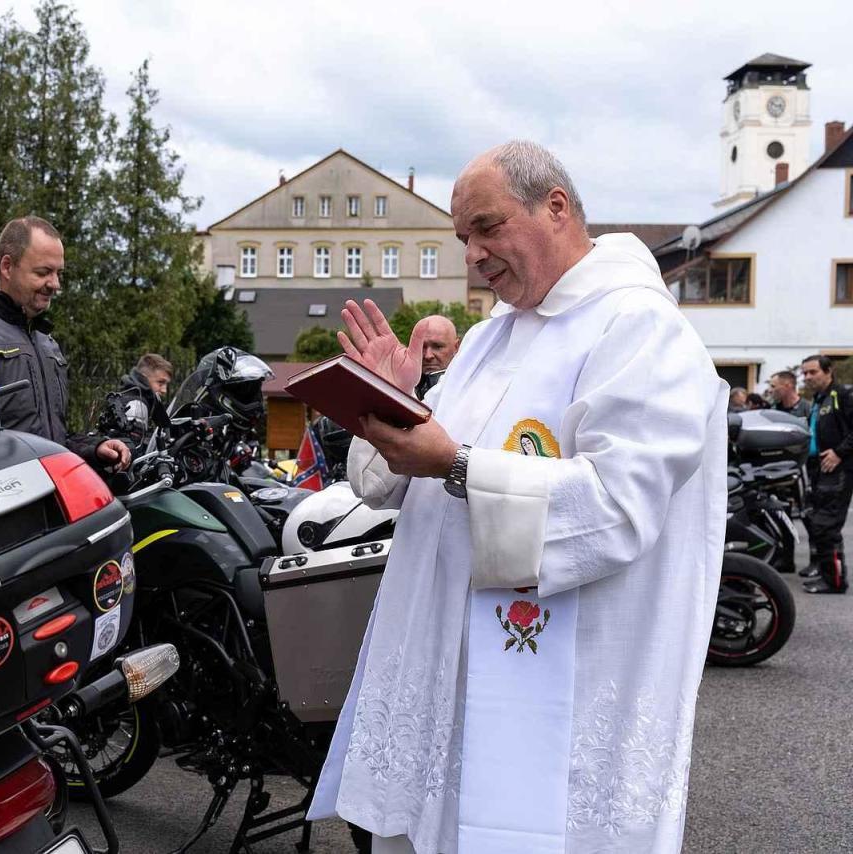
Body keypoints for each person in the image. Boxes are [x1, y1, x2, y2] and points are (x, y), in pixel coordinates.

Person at [308, 141, 726, 853]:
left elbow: (618, 510)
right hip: (447, 667)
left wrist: (459, 464)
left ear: (555, 207)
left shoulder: (639, 328)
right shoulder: (486, 340)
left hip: (556, 689)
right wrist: (390, 407)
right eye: (463, 237)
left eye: (487, 227)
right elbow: (390, 488)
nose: (473, 253)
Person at [0, 215, 130, 472]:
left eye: (58, 273)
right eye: (43, 272)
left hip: (46, 500)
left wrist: (94, 449)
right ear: (7, 267)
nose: (55, 284)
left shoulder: (46, 342)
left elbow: (52, 439)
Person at [797, 355, 853, 594]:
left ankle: (834, 583)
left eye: (813, 372)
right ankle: (828, 573)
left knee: (825, 526)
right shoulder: (818, 399)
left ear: (828, 371)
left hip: (838, 469)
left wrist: (840, 453)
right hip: (819, 469)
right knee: (815, 520)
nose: (808, 377)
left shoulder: (842, 394)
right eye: (805, 373)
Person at [107, 353, 174, 445]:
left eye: (166, 384)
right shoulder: (136, 405)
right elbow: (132, 450)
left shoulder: (133, 397)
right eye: (160, 382)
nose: (164, 390)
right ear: (144, 378)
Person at [413, 315, 461, 398]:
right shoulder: (401, 387)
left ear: (456, 347)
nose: (428, 356)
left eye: (437, 346)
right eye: (422, 346)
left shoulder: (470, 390)